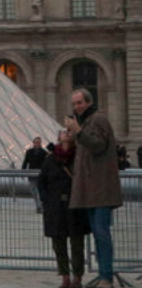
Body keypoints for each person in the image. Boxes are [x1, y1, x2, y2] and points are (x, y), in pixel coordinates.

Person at [65, 88, 122, 287]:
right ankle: (103, 274)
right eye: (74, 104)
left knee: (101, 233)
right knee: (98, 234)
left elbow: (98, 145)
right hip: (90, 189)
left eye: (79, 103)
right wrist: (71, 139)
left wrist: (78, 132)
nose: (76, 107)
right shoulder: (86, 122)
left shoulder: (98, 120)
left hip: (100, 188)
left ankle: (106, 276)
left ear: (89, 102)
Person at [39, 130, 90, 288]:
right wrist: (47, 201)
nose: (67, 133)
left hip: (75, 206)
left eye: (69, 132)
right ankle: (65, 276)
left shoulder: (80, 156)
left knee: (77, 244)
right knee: (58, 244)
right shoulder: (50, 159)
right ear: (58, 137)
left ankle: (78, 277)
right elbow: (42, 182)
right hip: (55, 207)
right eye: (63, 132)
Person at [23, 137, 48, 212]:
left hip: (40, 175)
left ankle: (39, 206)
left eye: (39, 142)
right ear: (33, 143)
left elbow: (46, 164)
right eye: (36, 142)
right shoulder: (29, 152)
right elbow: (25, 162)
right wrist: (22, 171)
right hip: (31, 174)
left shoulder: (44, 152)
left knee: (39, 191)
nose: (37, 144)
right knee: (33, 190)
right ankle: (38, 205)